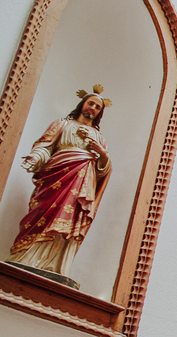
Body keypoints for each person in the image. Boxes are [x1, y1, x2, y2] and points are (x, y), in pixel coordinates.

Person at [7, 87, 112, 280]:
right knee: (45, 213)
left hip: (82, 185)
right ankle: (28, 257)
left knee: (70, 221)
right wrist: (34, 157)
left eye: (98, 107)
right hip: (58, 177)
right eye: (91, 103)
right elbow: (45, 146)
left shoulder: (99, 138)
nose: (93, 108)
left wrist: (103, 154)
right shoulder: (62, 125)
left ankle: (57, 265)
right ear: (82, 104)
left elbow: (102, 171)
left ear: (99, 113)